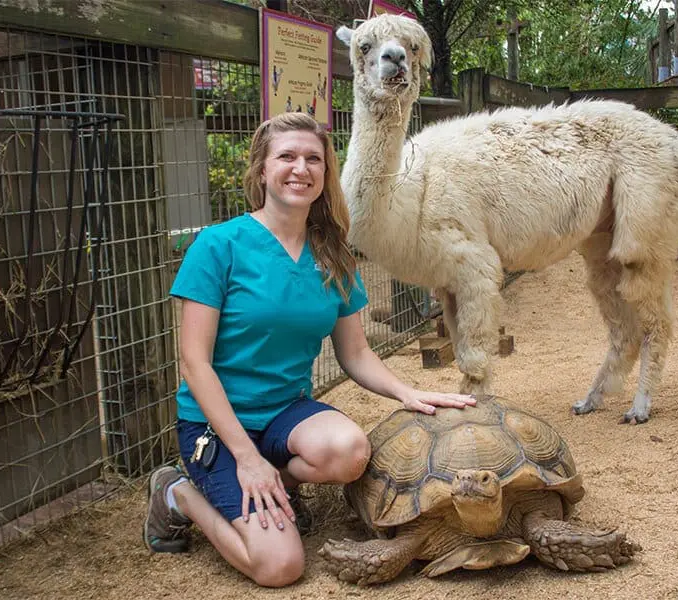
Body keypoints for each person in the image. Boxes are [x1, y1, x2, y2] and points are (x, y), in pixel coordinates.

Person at [142, 112, 475, 588]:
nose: (301, 168)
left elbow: (356, 354)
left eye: (313, 159)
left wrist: (408, 393)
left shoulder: (333, 255)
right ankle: (179, 493)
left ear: (325, 174)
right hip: (216, 424)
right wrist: (247, 457)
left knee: (349, 452)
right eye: (287, 157)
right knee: (280, 568)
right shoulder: (218, 246)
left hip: (285, 412)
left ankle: (266, 481)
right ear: (261, 170)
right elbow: (194, 363)